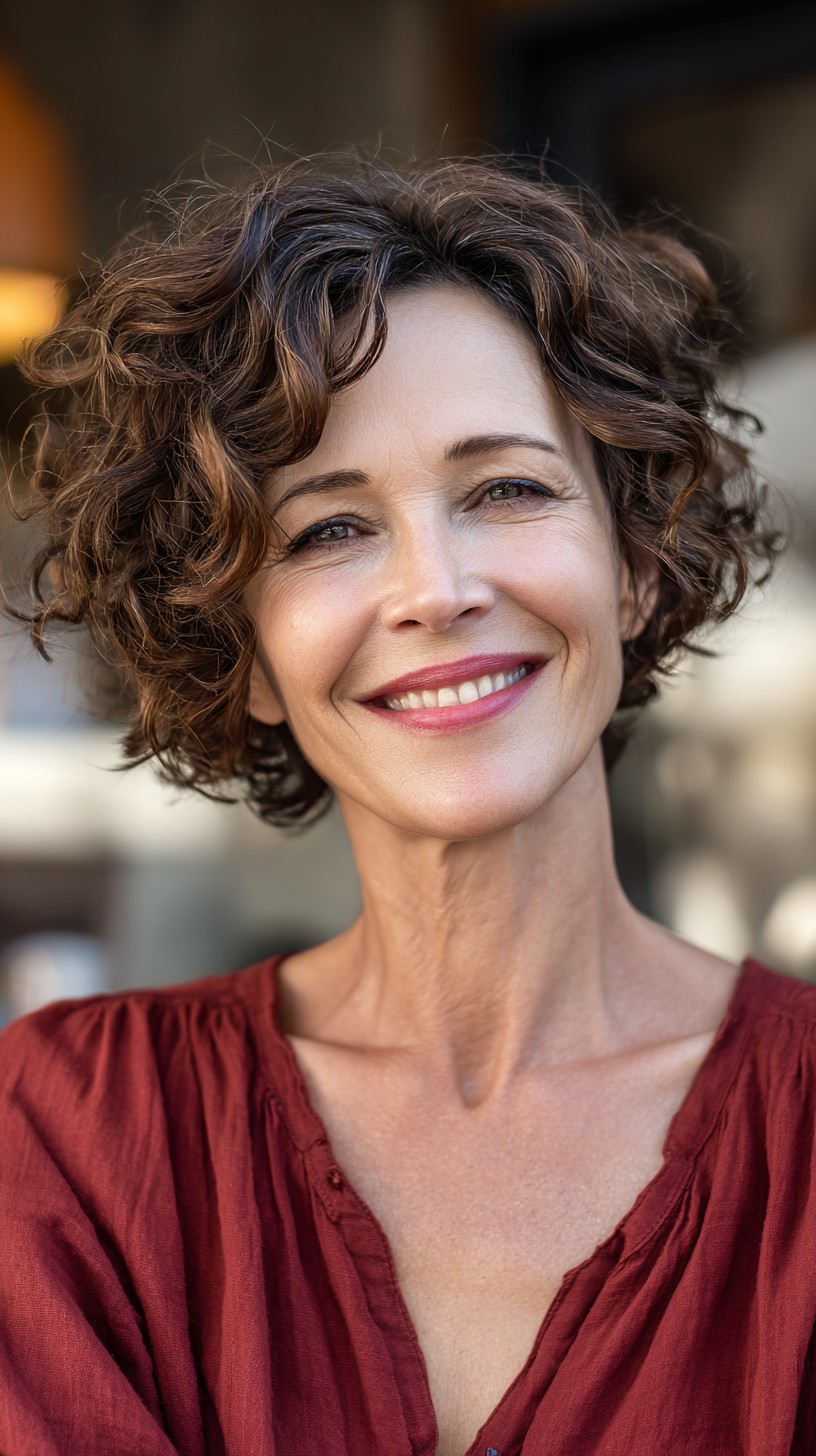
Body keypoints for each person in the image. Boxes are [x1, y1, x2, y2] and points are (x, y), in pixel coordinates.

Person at [1, 154, 813, 1456]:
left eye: (506, 488)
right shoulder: (77, 1142)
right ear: (247, 652)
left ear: (638, 567)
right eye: (328, 529)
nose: (435, 589)